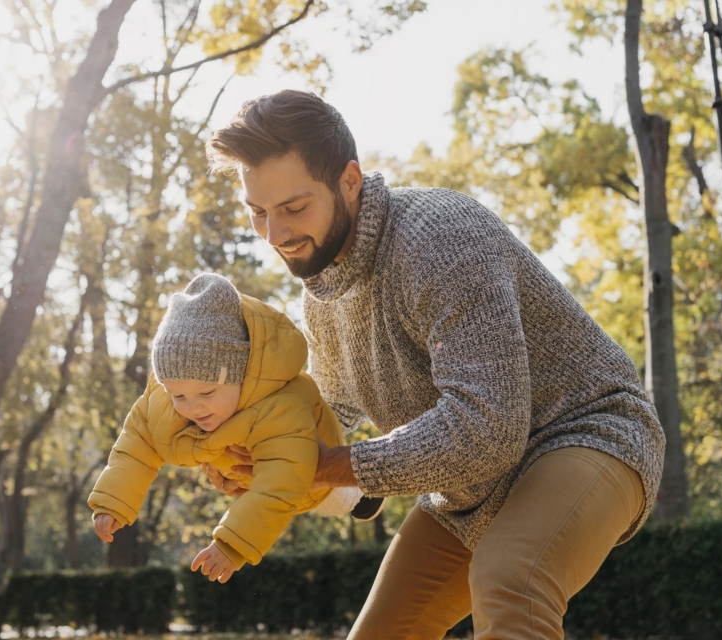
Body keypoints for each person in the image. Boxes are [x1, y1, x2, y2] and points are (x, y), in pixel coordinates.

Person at [203, 90, 667, 638]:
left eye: (294, 208)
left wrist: (328, 465)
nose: (276, 235)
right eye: (259, 212)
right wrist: (261, 458)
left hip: (586, 432)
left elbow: (487, 428)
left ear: (349, 181)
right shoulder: (323, 292)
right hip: (468, 486)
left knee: (511, 579)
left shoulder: (438, 238)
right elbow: (328, 413)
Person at [87, 272, 382, 584]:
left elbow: (283, 481)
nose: (192, 407)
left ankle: (365, 493)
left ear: (242, 375)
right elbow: (136, 446)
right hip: (245, 477)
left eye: (207, 393)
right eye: (178, 395)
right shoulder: (163, 402)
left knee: (330, 500)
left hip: (310, 474)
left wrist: (232, 543)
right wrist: (113, 501)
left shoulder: (280, 403)